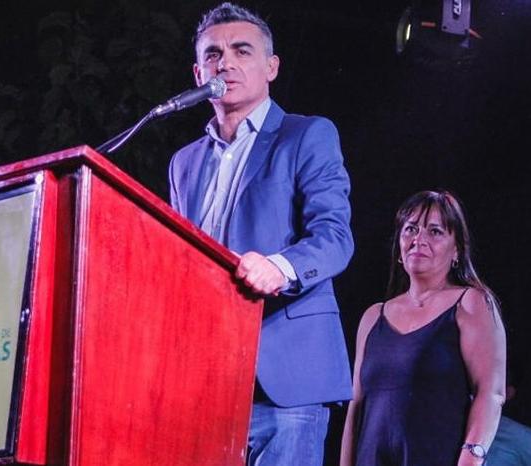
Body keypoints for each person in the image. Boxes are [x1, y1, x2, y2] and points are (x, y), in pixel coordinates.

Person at [168, 3, 354, 464]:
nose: (225, 63)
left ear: (271, 67)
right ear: (198, 73)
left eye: (242, 50)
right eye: (213, 54)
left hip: (283, 382)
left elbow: (335, 237)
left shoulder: (306, 136)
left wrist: (280, 267)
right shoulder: (183, 162)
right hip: (203, 377)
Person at [340, 190, 506, 466]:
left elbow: (490, 392)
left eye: (435, 231)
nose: (419, 239)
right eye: (411, 229)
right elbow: (356, 407)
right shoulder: (373, 317)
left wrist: (471, 458)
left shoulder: (471, 303)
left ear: (456, 250)